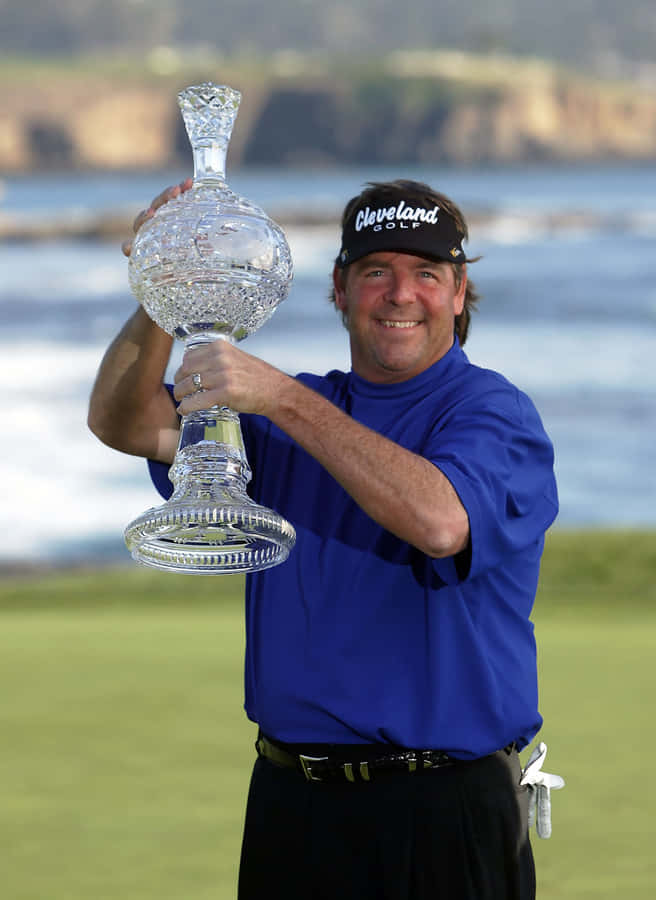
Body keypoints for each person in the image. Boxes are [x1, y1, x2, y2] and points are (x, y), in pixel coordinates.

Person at [88, 178, 559, 900]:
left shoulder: (492, 411)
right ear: (339, 289)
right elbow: (121, 421)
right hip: (291, 808)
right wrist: (164, 289)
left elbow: (440, 522)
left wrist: (279, 395)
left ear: (459, 293)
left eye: (426, 273)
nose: (400, 294)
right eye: (375, 272)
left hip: (443, 809)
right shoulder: (283, 418)